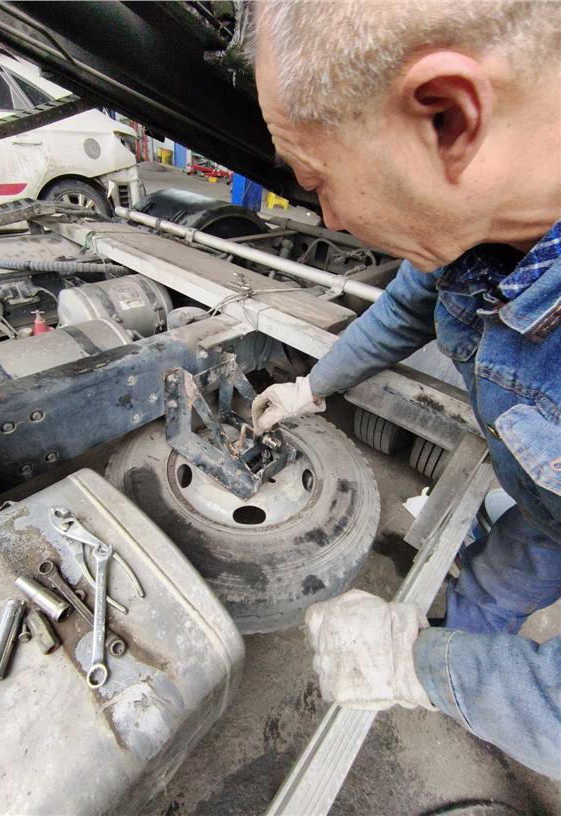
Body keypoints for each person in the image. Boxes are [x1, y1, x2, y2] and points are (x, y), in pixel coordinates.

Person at [250, 0, 561, 779]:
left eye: (317, 179)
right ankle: (464, 669)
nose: (328, 217)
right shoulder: (480, 232)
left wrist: (413, 667)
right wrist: (311, 389)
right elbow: (401, 312)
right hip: (547, 512)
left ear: (447, 119)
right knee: (488, 586)